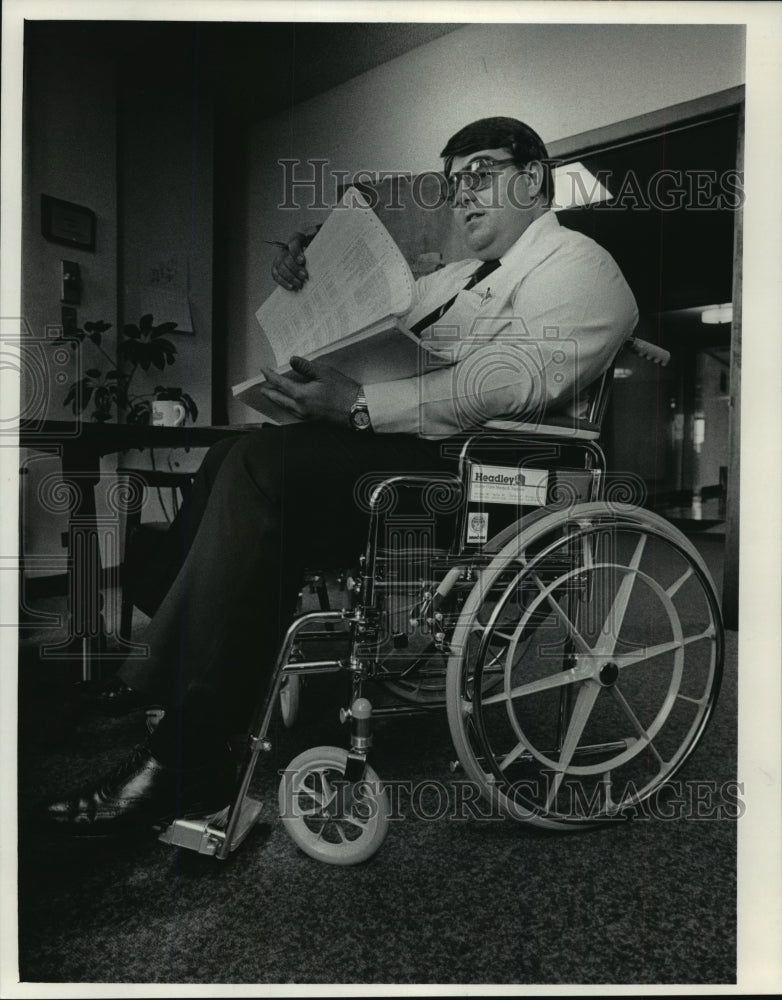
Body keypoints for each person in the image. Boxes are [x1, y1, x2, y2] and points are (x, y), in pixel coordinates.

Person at [44, 117, 638, 835]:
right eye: (454, 184)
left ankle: (190, 750)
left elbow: (514, 381)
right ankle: (171, 666)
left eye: (480, 173)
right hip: (409, 459)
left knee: (265, 468)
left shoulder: (582, 267)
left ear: (535, 177)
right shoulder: (451, 281)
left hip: (485, 482)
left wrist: (359, 406)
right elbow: (363, 336)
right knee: (235, 452)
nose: (463, 196)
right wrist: (312, 275)